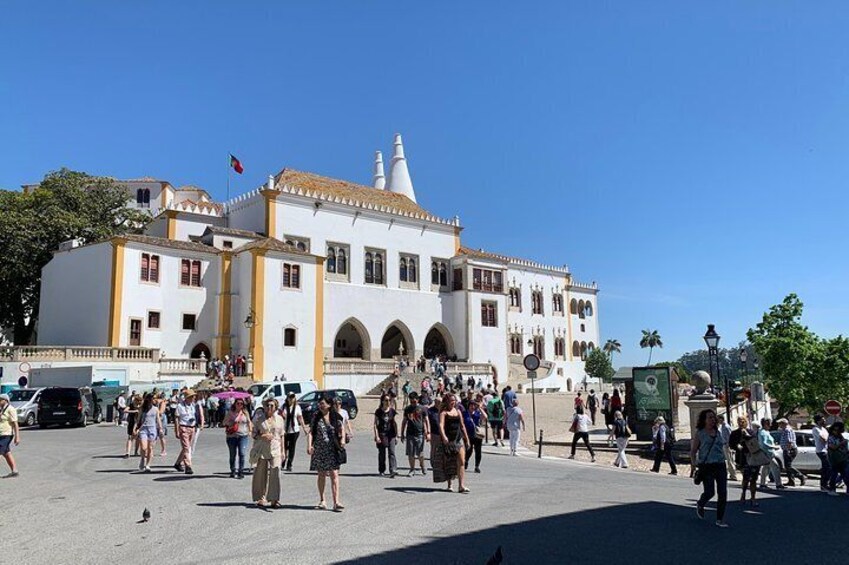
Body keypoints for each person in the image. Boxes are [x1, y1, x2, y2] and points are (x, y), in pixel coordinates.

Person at [690, 409, 729, 528]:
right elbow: (693, 451)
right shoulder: (700, 433)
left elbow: (722, 447)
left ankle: (719, 519)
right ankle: (701, 503)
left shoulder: (718, 432)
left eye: (713, 417)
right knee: (710, 492)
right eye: (709, 418)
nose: (712, 420)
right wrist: (694, 465)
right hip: (707, 466)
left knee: (723, 492)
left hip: (720, 464)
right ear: (704, 420)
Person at [307, 395, 345, 511]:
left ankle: (336, 501)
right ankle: (322, 500)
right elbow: (310, 432)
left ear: (329, 405)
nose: (320, 405)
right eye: (319, 403)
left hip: (333, 449)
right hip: (319, 449)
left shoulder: (335, 416)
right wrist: (309, 445)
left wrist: (343, 439)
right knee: (321, 474)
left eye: (323, 403)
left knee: (334, 474)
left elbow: (342, 428)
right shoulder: (316, 416)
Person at [250, 398, 285, 507]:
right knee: (260, 473)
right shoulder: (259, 419)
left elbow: (282, 435)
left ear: (275, 407)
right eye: (267, 405)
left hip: (275, 448)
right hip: (262, 448)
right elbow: (253, 434)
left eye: (272, 406)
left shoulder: (280, 419)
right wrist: (262, 435)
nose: (269, 407)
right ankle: (261, 497)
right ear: (264, 406)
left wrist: (283, 451)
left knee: (276, 471)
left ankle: (274, 499)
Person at [435, 394, 471, 492]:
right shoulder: (444, 413)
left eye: (454, 400)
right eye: (451, 400)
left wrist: (466, 439)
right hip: (448, 440)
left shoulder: (458, 411)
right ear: (446, 402)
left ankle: (461, 486)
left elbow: (462, 426)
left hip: (457, 439)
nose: (453, 402)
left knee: (462, 461)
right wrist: (444, 437)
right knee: (450, 462)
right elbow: (441, 426)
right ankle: (450, 484)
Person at [729, 416, 759, 507]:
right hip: (742, 458)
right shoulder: (734, 433)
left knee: (753, 479)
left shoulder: (751, 432)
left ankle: (753, 497)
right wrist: (736, 446)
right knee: (746, 478)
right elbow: (731, 444)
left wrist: (747, 435)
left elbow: (755, 443)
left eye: (743, 421)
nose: (741, 423)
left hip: (753, 458)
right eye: (739, 422)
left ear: (746, 422)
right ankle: (743, 493)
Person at [400, 392, 430, 476]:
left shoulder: (422, 408)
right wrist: (402, 433)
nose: (413, 403)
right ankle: (412, 469)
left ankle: (422, 466)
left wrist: (428, 432)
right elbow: (404, 421)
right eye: (411, 401)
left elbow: (426, 420)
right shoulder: (407, 409)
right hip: (410, 434)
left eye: (414, 401)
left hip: (420, 433)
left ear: (417, 400)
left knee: (420, 453)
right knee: (411, 453)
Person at [134, 393, 164, 473]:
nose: (155, 400)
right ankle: (142, 459)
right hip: (143, 429)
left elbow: (158, 420)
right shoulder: (142, 409)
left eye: (155, 398)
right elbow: (138, 420)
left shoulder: (156, 409)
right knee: (144, 448)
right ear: (149, 399)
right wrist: (136, 428)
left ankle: (148, 465)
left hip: (152, 430)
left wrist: (160, 429)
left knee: (150, 448)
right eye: (154, 398)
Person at [223, 398, 252, 479]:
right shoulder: (230, 413)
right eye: (238, 403)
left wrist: (250, 431)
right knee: (232, 455)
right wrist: (232, 422)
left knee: (242, 454)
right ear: (235, 404)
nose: (239, 405)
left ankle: (241, 471)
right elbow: (224, 422)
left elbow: (249, 422)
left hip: (243, 436)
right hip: (232, 436)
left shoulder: (245, 413)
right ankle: (232, 470)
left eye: (241, 404)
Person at [373, 395, 398, 477]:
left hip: (391, 434)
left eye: (389, 400)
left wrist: (397, 435)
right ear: (382, 401)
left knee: (392, 452)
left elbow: (394, 424)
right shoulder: (378, 411)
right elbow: (375, 425)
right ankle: (381, 470)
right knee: (382, 453)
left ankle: (393, 470)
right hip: (382, 434)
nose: (388, 402)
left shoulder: (392, 411)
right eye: (386, 400)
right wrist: (376, 436)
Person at [174, 389, 198, 475]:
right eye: (191, 397)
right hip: (183, 427)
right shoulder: (180, 406)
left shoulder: (193, 405)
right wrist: (176, 430)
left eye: (193, 396)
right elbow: (176, 418)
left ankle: (177, 463)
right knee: (187, 447)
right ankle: (188, 466)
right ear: (187, 398)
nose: (193, 398)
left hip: (192, 427)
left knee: (186, 447)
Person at [280, 392, 306, 472]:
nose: (291, 399)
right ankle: (283, 462)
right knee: (284, 447)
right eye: (289, 397)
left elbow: (300, 418)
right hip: (285, 430)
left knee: (292, 448)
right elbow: (279, 417)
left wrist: (304, 428)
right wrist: (282, 415)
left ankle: (289, 464)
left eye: (292, 397)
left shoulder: (297, 407)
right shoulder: (283, 406)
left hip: (294, 430)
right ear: (287, 398)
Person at [777, 418, 806, 487]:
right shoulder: (785, 430)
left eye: (780, 423)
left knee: (788, 466)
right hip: (787, 449)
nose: (779, 425)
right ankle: (791, 481)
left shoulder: (787, 430)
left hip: (790, 449)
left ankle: (801, 476)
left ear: (784, 424)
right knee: (787, 466)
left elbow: (789, 441)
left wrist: (788, 450)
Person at [757, 418, 784, 489]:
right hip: (768, 453)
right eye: (769, 423)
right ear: (766, 424)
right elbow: (764, 444)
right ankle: (778, 484)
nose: (771, 425)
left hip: (768, 453)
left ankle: (763, 483)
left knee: (766, 468)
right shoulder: (763, 433)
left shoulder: (765, 432)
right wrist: (774, 446)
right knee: (776, 467)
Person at [0, 394, 20, 478]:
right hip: (1, 433)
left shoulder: (11, 409)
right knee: (6, 453)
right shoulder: (1, 409)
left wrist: (17, 436)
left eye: (1, 399)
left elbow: (15, 424)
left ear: (6, 400)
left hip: (7, 434)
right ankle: (14, 471)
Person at [464, 398, 486, 473]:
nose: (472, 407)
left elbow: (485, 417)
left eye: (474, 405)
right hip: (468, 435)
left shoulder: (477, 413)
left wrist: (480, 408)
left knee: (478, 451)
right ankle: (466, 461)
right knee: (468, 450)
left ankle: (477, 466)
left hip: (477, 435)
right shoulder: (465, 414)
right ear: (468, 406)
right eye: (471, 405)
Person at [826, 420, 848, 496]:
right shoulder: (831, 437)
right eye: (835, 430)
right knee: (834, 474)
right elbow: (832, 447)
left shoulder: (840, 436)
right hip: (834, 458)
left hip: (843, 458)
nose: (836, 432)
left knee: (845, 474)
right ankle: (832, 489)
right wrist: (841, 443)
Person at [812, 414, 831, 492]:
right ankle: (824, 485)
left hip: (826, 450)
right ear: (818, 420)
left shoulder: (824, 429)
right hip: (821, 450)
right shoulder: (815, 429)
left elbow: (828, 438)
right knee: (828, 467)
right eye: (822, 419)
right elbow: (824, 439)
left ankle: (824, 484)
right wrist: (827, 438)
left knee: (826, 468)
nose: (824, 420)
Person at [717, 415, 737, 481]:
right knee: (728, 461)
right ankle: (731, 474)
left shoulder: (726, 427)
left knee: (730, 460)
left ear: (721, 419)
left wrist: (729, 445)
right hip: (724, 445)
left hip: (727, 445)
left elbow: (730, 436)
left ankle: (734, 475)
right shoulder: (722, 426)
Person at [427, 397, 442, 468]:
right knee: (433, 449)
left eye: (440, 402)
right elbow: (427, 422)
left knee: (441, 450)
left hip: (442, 434)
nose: (439, 403)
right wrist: (427, 432)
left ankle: (440, 463)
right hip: (434, 433)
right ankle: (433, 463)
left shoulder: (443, 410)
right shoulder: (430, 411)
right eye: (437, 402)